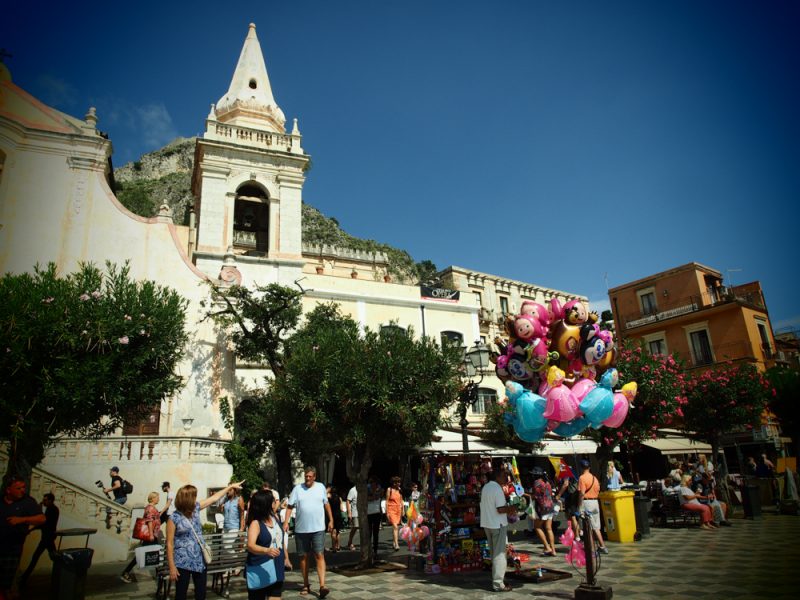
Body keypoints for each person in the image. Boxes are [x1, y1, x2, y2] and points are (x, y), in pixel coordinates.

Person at [167, 480, 244, 600]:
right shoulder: (174, 518)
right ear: (187, 499)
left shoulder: (196, 508)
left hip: (199, 560)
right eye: (194, 496)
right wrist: (172, 566)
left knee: (201, 593)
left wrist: (230, 487)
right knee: (181, 594)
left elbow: (214, 498)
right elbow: (169, 543)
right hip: (182, 562)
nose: (196, 499)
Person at [282, 466, 333, 599]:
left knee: (319, 555)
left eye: (310, 476)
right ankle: (305, 584)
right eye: (306, 476)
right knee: (303, 557)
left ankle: (322, 586)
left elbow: (326, 504)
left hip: (318, 528)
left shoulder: (321, 487)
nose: (307, 478)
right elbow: (289, 506)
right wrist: (286, 522)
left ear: (314, 477)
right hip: (301, 529)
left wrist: (331, 520)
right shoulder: (297, 489)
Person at [1, 476, 46, 600]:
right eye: (18, 488)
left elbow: (42, 519)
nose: (22, 490)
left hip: (12, 550)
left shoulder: (27, 502)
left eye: (23, 487)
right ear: (8, 490)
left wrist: (22, 519)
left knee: (8, 586)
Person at [480, 459, 516, 593]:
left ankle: (497, 580)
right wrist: (512, 508)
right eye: (504, 476)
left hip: (488, 524)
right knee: (499, 554)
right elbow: (500, 509)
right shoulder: (497, 489)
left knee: (494, 553)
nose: (506, 478)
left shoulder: (486, 487)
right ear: (498, 477)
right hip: (497, 524)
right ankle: (498, 583)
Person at [245, 490, 289, 600]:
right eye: (273, 500)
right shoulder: (256, 523)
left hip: (277, 566)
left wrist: (286, 558)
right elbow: (250, 545)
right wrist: (267, 550)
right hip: (260, 567)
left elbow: (280, 540)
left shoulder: (275, 518)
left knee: (275, 596)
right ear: (266, 504)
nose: (276, 502)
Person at [18, 493, 59, 589]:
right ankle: (59, 577)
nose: (43, 502)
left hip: (47, 538)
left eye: (45, 500)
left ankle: (24, 578)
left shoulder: (53, 510)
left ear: (50, 500)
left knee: (36, 557)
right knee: (54, 558)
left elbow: (44, 523)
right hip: (48, 537)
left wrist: (32, 528)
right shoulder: (51, 509)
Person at [121, 491, 161, 582]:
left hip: (152, 534)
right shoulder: (150, 508)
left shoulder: (150, 507)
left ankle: (158, 574)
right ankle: (125, 572)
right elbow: (149, 521)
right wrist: (151, 534)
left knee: (155, 552)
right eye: (157, 497)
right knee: (149, 553)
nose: (158, 499)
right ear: (153, 498)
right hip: (150, 535)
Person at [577, 459, 609, 554]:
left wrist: (579, 506)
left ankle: (591, 549)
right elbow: (598, 489)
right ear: (589, 467)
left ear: (581, 468)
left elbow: (582, 493)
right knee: (596, 527)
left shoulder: (582, 478)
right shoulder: (595, 478)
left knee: (589, 528)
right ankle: (602, 546)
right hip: (595, 502)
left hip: (587, 503)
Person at [530, 468, 556, 556]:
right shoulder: (547, 482)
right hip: (550, 507)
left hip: (542, 508)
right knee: (549, 528)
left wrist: (524, 494)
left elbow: (535, 496)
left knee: (537, 527)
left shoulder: (537, 483)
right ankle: (553, 550)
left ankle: (547, 547)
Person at [366, 478, 383, 559]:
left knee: (376, 533)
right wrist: (373, 493)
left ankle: (375, 550)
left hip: (377, 513)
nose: (373, 486)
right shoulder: (367, 492)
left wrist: (381, 511)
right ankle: (368, 550)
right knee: (369, 533)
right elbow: (370, 498)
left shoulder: (379, 492)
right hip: (369, 514)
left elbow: (379, 500)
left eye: (375, 484)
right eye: (372, 484)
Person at [385, 476, 403, 551]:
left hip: (398, 509)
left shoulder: (400, 490)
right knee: (395, 527)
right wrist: (387, 512)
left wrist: (403, 510)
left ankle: (393, 542)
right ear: (393, 483)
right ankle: (397, 544)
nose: (398, 483)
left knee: (395, 527)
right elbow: (386, 501)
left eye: (399, 482)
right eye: (397, 482)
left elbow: (401, 500)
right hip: (391, 509)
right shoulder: (389, 489)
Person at [325, 486, 344, 552]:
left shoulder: (329, 497)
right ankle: (338, 546)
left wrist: (327, 490)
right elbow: (341, 508)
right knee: (338, 532)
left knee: (333, 532)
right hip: (338, 515)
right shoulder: (339, 498)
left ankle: (333, 548)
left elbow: (323, 496)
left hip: (332, 515)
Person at [345, 484, 359, 551]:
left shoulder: (364, 489)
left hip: (363, 512)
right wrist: (349, 512)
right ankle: (350, 542)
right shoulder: (353, 490)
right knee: (355, 527)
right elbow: (348, 501)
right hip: (355, 512)